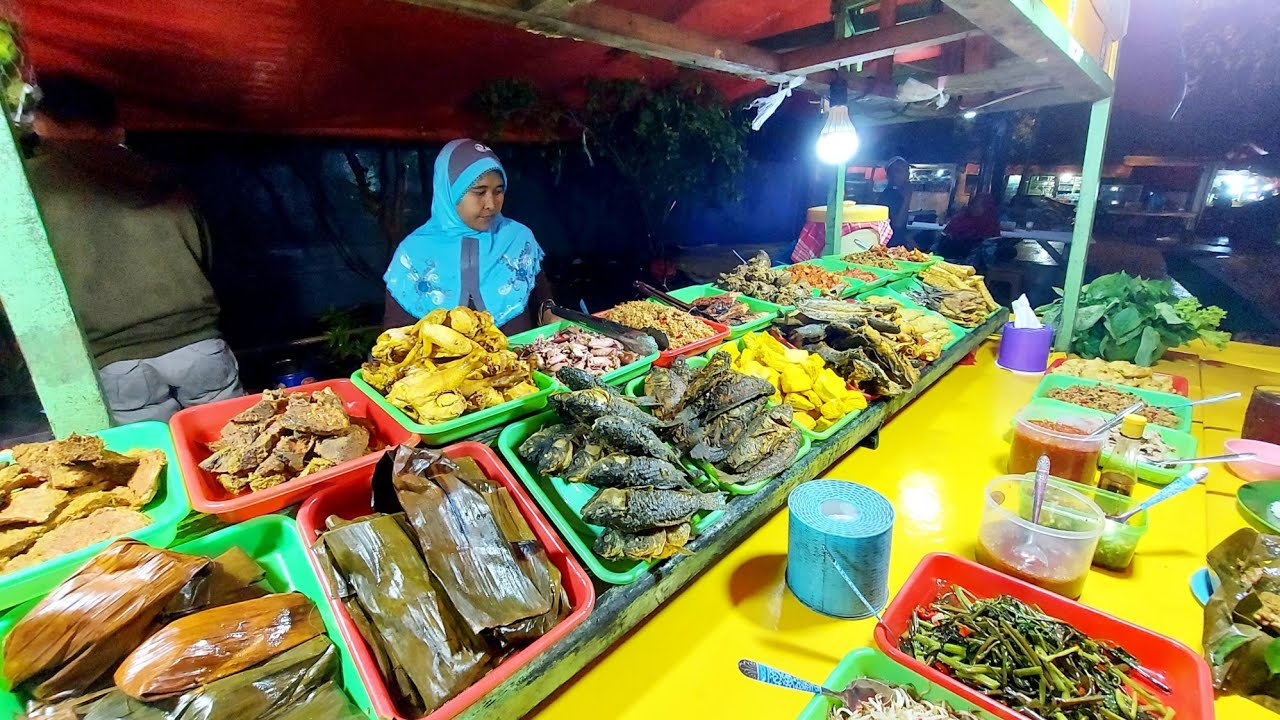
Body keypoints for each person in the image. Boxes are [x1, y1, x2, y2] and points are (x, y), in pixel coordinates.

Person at [25, 75, 243, 424]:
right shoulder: (162, 174)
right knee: (236, 452)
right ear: (115, 126)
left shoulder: (26, 187)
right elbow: (207, 254)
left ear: (41, 121)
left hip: (116, 361)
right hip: (200, 346)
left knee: (157, 465)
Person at [384, 139, 554, 333]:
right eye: (479, 192)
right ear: (450, 191)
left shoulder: (518, 239)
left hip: (520, 361)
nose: (491, 204)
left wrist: (553, 316)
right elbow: (395, 338)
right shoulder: (414, 253)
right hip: (441, 365)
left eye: (499, 191)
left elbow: (543, 304)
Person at [937, 193, 1002, 261]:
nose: (974, 208)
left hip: (973, 266)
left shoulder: (991, 226)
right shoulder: (959, 219)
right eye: (973, 205)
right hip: (946, 261)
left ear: (987, 208)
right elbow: (941, 241)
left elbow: (989, 255)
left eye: (978, 206)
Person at [879, 155, 913, 241]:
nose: (906, 174)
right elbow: (897, 224)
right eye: (899, 171)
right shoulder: (888, 196)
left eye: (906, 171)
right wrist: (907, 198)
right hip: (889, 246)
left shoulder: (900, 193)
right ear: (890, 175)